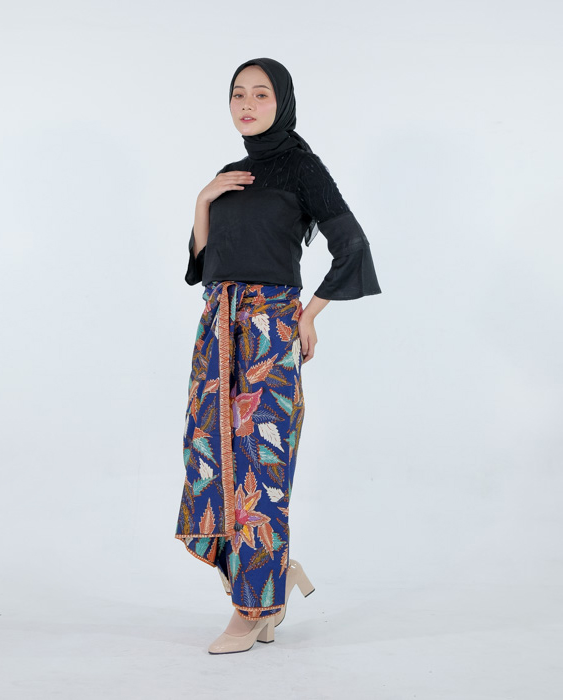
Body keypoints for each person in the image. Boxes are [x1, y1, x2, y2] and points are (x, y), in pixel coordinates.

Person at [174, 57, 382, 655]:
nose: (247, 104)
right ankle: (265, 574)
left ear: (282, 101)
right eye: (237, 94)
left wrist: (307, 315)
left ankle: (256, 607)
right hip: (217, 325)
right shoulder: (229, 173)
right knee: (211, 455)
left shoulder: (302, 167)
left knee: (259, 467)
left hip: (269, 327)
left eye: (260, 94)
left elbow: (352, 245)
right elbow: (204, 266)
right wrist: (203, 200)